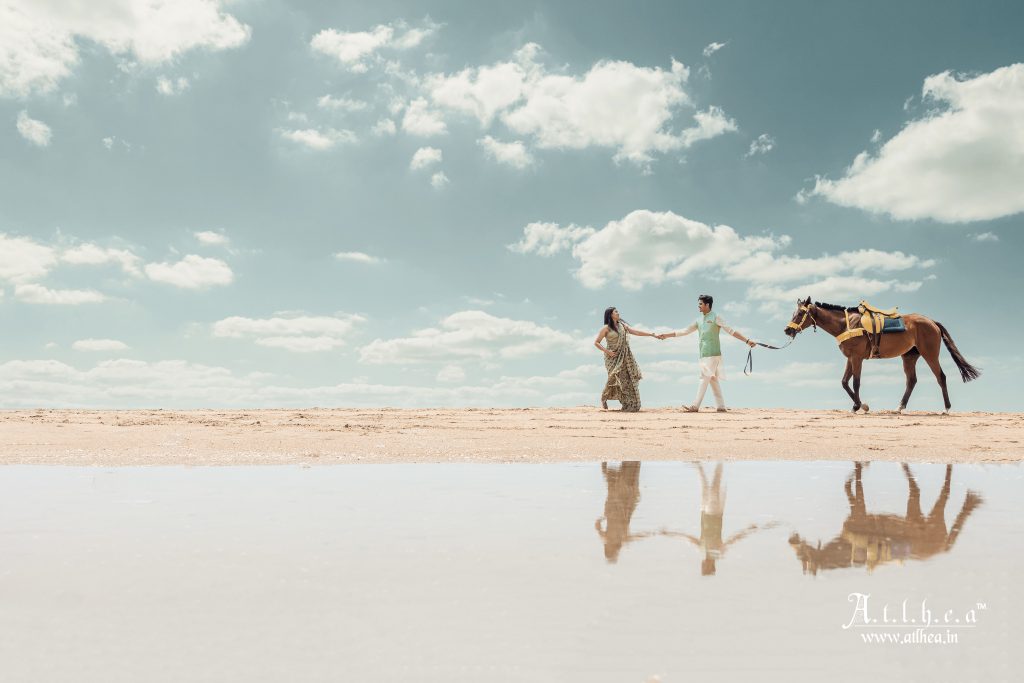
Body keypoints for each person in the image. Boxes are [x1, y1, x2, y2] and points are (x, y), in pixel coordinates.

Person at [656, 294, 755, 412]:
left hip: (713, 354)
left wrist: (747, 341)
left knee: (704, 377)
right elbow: (684, 331)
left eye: (700, 304)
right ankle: (721, 406)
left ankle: (695, 406)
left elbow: (731, 331)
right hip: (703, 354)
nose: (698, 306)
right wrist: (666, 335)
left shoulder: (716, 317)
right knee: (712, 379)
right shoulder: (698, 320)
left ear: (707, 305)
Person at [594, 307, 656, 412]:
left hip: (625, 356)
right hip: (612, 357)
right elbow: (596, 342)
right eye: (616, 312)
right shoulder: (606, 328)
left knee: (625, 380)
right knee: (614, 377)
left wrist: (651, 334)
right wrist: (607, 351)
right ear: (610, 314)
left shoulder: (622, 326)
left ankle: (627, 403)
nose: (618, 313)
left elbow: (636, 332)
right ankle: (604, 398)